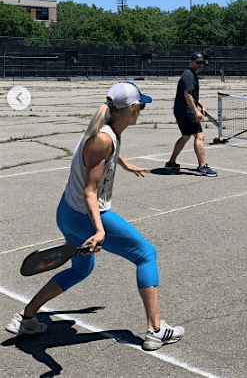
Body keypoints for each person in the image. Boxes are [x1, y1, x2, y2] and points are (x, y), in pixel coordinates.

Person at [4, 82, 185, 351]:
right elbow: (90, 190)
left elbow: (102, 157)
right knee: (146, 254)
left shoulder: (106, 129)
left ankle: (26, 318)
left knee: (81, 268)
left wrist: (125, 164)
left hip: (66, 212)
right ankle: (155, 330)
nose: (142, 111)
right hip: (86, 215)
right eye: (141, 106)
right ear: (131, 108)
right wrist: (99, 230)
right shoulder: (103, 138)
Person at [165, 53, 217, 176]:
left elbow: (192, 96)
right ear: (191, 62)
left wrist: (201, 106)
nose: (200, 65)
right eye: (197, 62)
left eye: (201, 62)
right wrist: (196, 111)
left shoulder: (190, 75)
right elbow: (187, 94)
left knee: (186, 136)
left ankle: (171, 163)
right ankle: (202, 167)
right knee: (199, 136)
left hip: (181, 111)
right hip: (186, 111)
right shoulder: (188, 75)